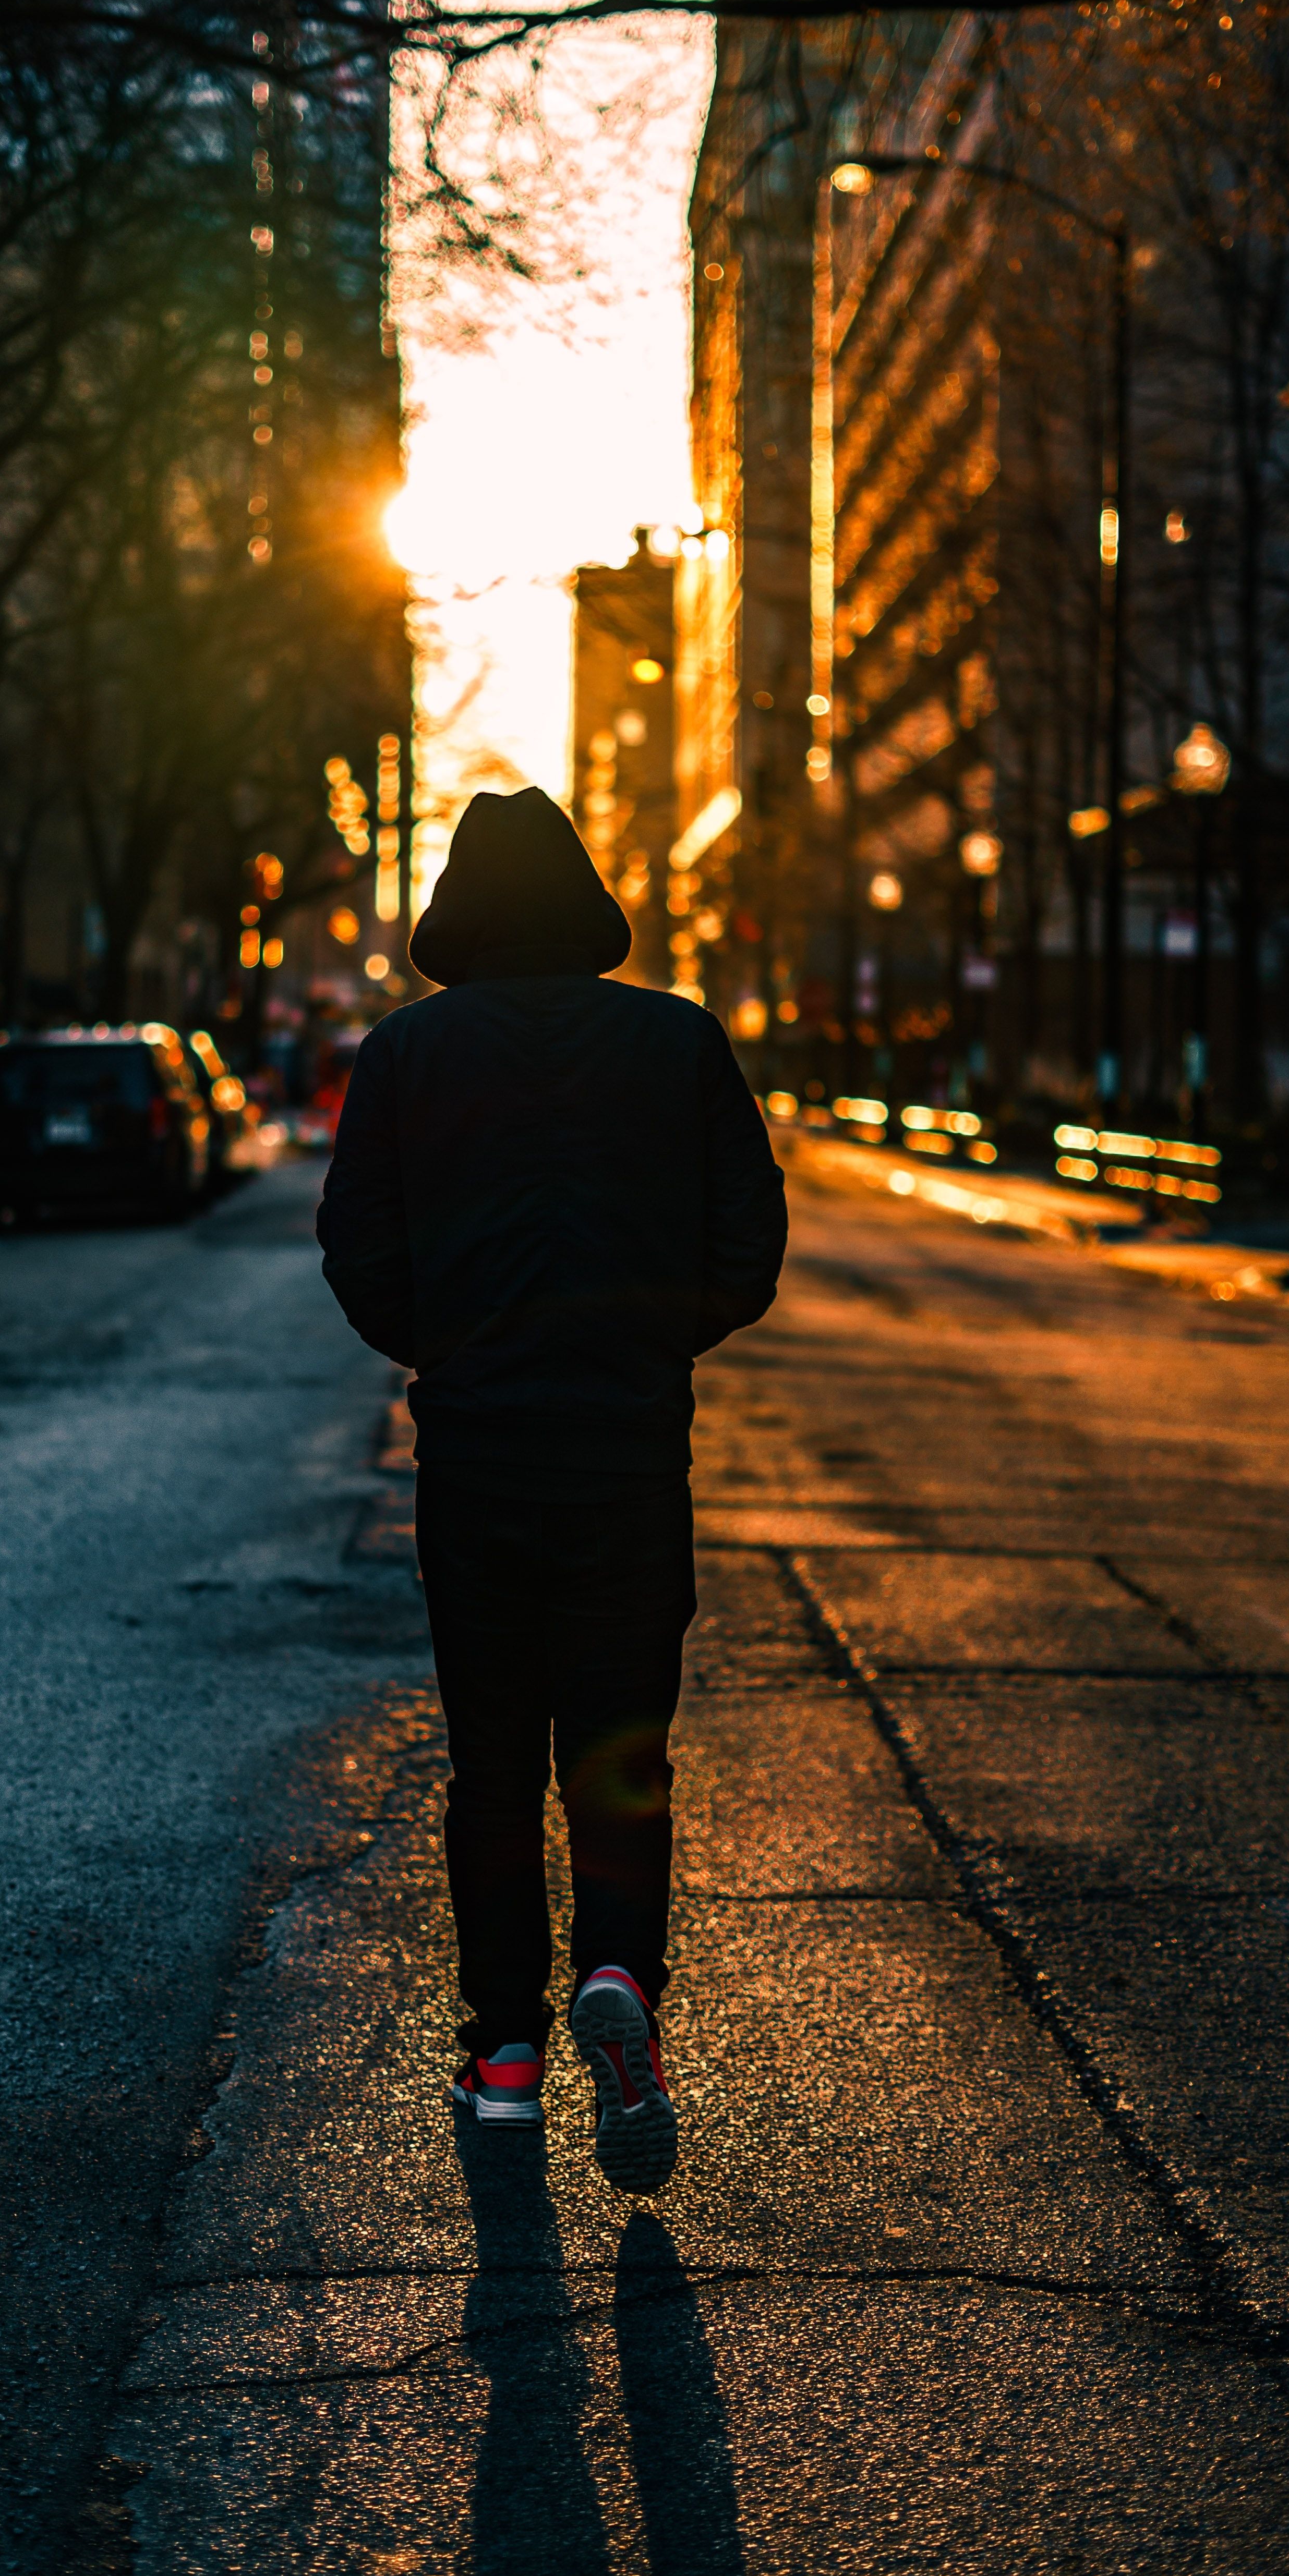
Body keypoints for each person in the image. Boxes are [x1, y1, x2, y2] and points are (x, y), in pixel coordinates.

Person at [316, 786, 787, 2193]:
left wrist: (452, 1349)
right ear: (587, 906)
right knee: (621, 1757)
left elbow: (357, 1251)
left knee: (495, 1768)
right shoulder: (679, 1040)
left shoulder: (407, 1056)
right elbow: (746, 1243)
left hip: (476, 1463)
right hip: (630, 1459)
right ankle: (622, 1985)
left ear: (457, 915)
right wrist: (645, 1342)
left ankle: (505, 2054)